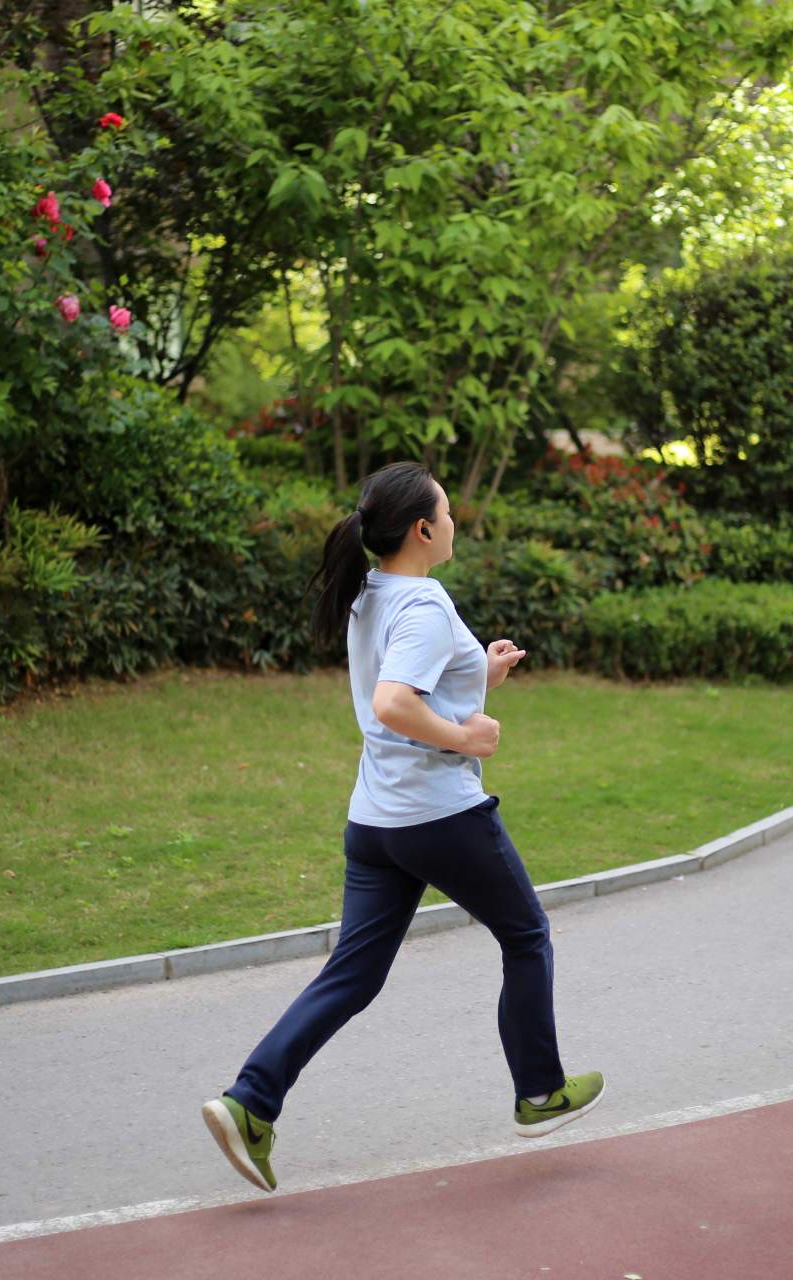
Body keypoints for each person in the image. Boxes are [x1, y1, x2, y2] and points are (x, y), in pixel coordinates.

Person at [200, 460, 605, 1193]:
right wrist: (468, 736)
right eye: (446, 514)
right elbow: (393, 702)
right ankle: (539, 1093)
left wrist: (475, 674)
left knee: (352, 974)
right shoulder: (420, 604)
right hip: (438, 815)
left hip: (375, 821)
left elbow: (409, 686)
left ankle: (250, 1103)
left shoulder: (374, 594)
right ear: (423, 529)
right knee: (527, 936)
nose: (454, 523)